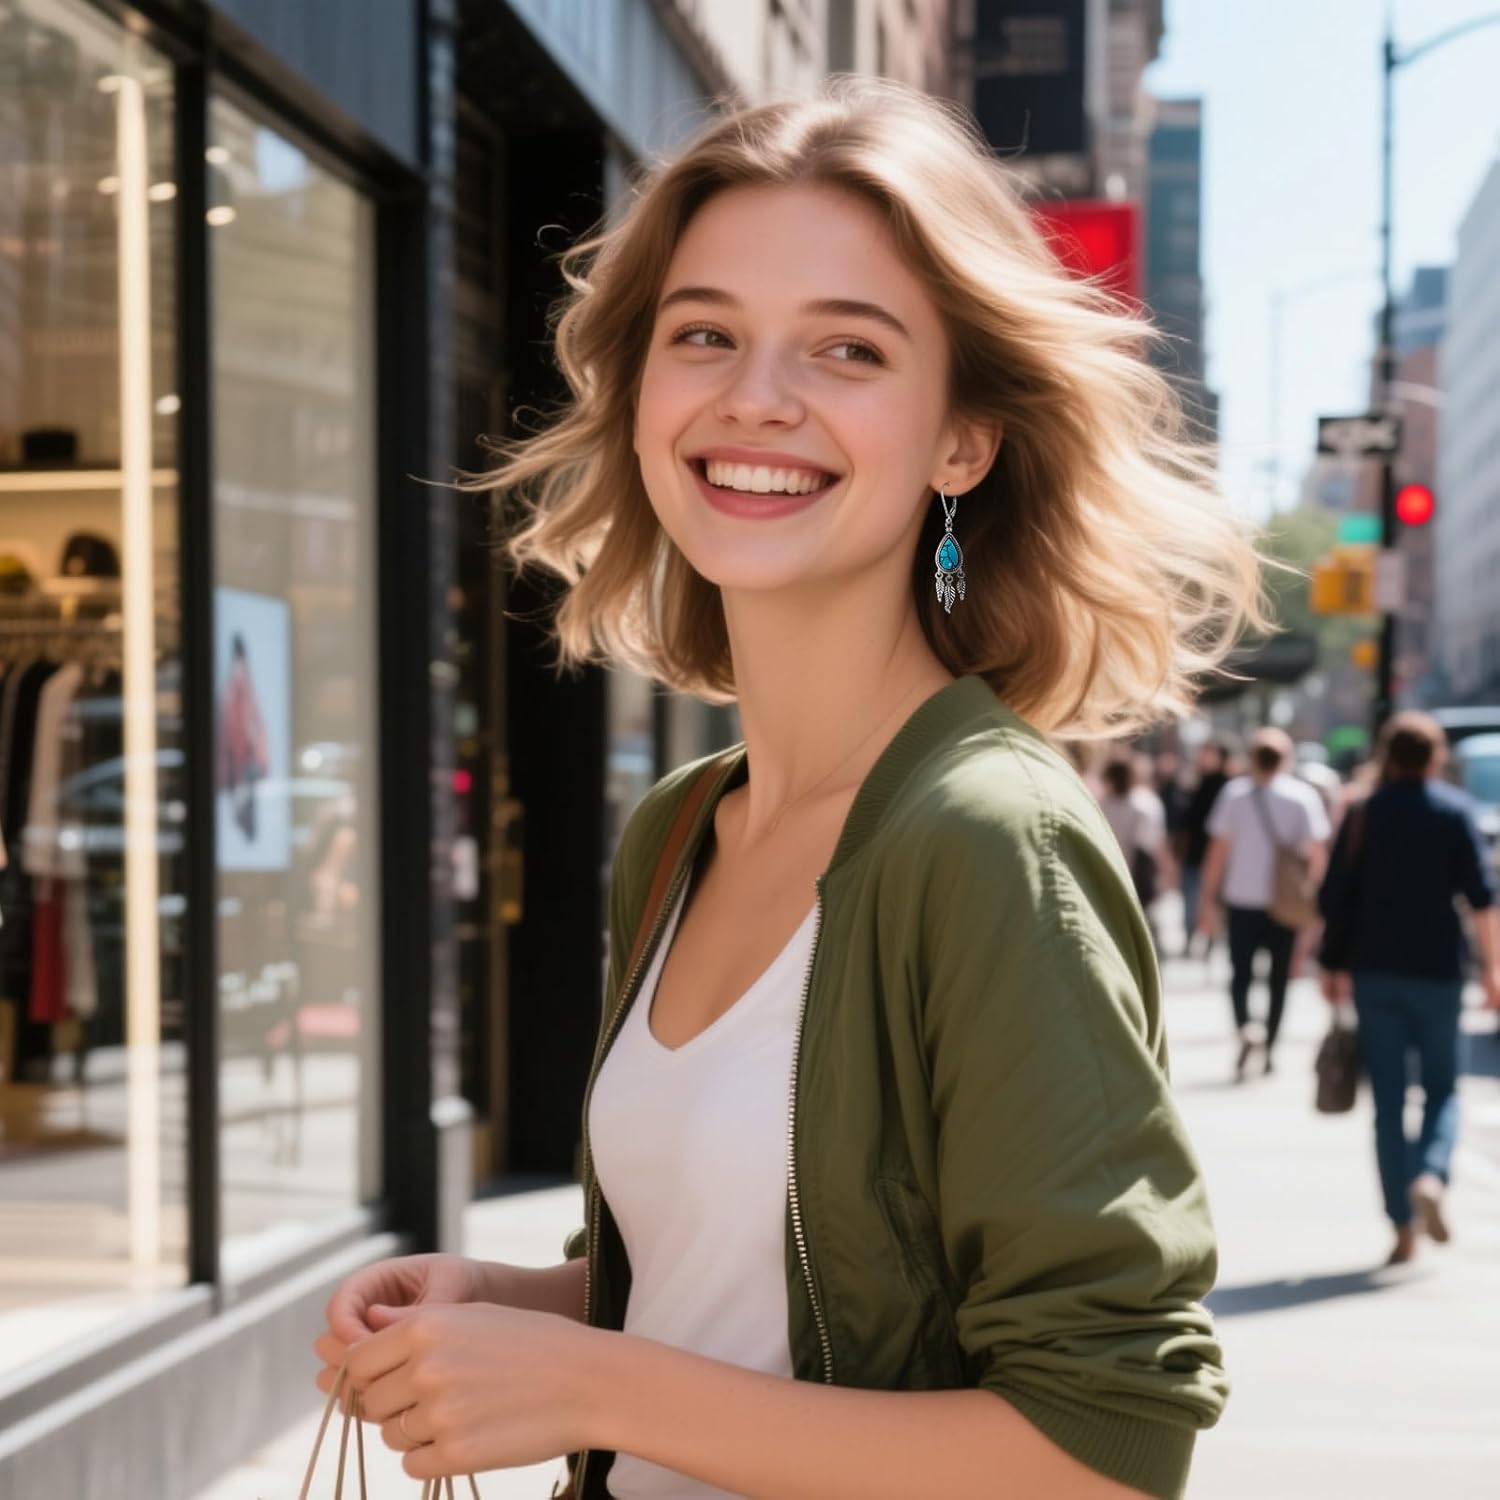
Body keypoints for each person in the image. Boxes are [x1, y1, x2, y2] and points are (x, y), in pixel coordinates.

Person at [312, 78, 1264, 1500]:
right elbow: (753, 1295)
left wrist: (594, 1382)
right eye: (706, 335)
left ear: (963, 440)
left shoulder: (988, 842)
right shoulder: (682, 829)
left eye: (848, 350)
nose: (757, 397)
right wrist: (510, 1307)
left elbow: (1108, 1443)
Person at [1318, 711, 1500, 1266]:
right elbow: (1482, 899)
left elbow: (1335, 897)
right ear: (1435, 757)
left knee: (1389, 1103)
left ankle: (1401, 1226)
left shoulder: (1363, 814)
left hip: (1375, 973)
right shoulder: (1454, 811)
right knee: (1443, 1089)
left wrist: (1331, 967)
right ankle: (1432, 1177)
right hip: (1439, 972)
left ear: (1387, 755)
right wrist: (1493, 971)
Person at [1197, 728, 1329, 1079]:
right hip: (1285, 905)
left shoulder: (1234, 796)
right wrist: (1313, 903)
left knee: (1240, 974)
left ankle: (1245, 1029)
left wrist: (1206, 904)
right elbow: (1318, 857)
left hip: (1242, 900)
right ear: (1286, 759)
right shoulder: (1302, 797)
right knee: (1279, 979)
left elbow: (1216, 856)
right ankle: (1269, 1045)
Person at [1100, 755, 1169, 954]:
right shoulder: (1146, 804)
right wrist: (1166, 872)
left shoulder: (1101, 806)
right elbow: (1155, 845)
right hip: (1138, 882)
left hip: (1109, 879)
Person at [1177, 741, 1230, 960]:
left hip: (1216, 855)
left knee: (1210, 900)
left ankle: (1210, 939)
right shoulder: (1198, 783)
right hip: (1194, 855)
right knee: (1191, 899)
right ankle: (1192, 937)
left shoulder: (1226, 787)